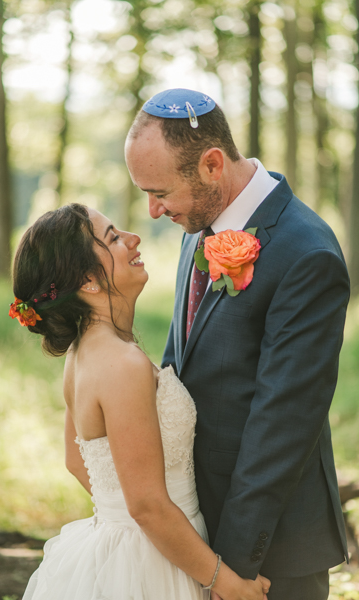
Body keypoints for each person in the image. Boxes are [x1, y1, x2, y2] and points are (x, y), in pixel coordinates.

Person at [124, 88, 349, 600]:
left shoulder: (306, 253)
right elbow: (182, 361)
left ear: (211, 165)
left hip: (268, 553)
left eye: (159, 192)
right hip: (200, 536)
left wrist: (228, 570)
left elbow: (283, 424)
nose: (154, 211)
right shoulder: (198, 223)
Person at [12, 204, 270, 600]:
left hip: (127, 547)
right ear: (88, 282)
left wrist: (118, 511)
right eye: (113, 237)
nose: (132, 239)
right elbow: (148, 505)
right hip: (152, 562)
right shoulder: (122, 364)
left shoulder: (81, 354)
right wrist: (225, 582)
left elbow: (75, 458)